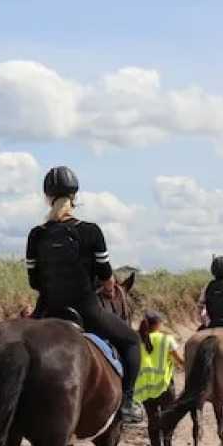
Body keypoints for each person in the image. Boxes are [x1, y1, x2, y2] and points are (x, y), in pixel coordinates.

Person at [25, 166, 144, 424]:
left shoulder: (36, 234)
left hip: (45, 310)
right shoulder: (90, 231)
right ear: (75, 197)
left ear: (47, 196)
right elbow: (105, 274)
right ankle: (127, 404)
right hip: (86, 309)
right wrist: (107, 284)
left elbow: (34, 282)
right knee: (132, 341)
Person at [135, 309, 186, 446]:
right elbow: (180, 361)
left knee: (152, 420)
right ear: (157, 324)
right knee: (167, 419)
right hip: (164, 385)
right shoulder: (167, 340)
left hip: (145, 387)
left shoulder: (139, 340)